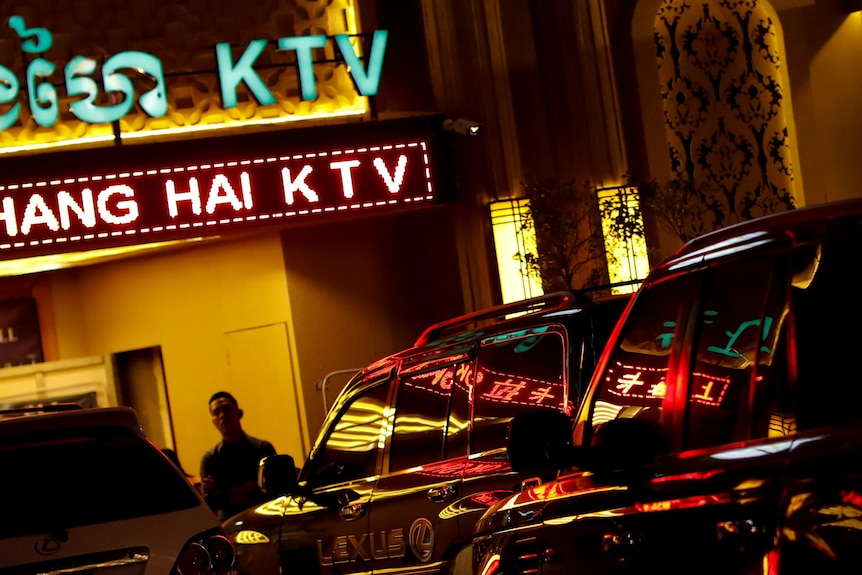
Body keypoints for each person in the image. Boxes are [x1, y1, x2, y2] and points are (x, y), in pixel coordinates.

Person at [200, 391, 276, 521]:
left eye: (226, 409)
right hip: (230, 525)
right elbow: (210, 501)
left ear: (239, 413)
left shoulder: (262, 449)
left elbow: (275, 489)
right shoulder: (210, 459)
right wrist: (247, 487)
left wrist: (226, 494)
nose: (222, 415)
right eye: (216, 413)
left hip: (265, 520)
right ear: (213, 421)